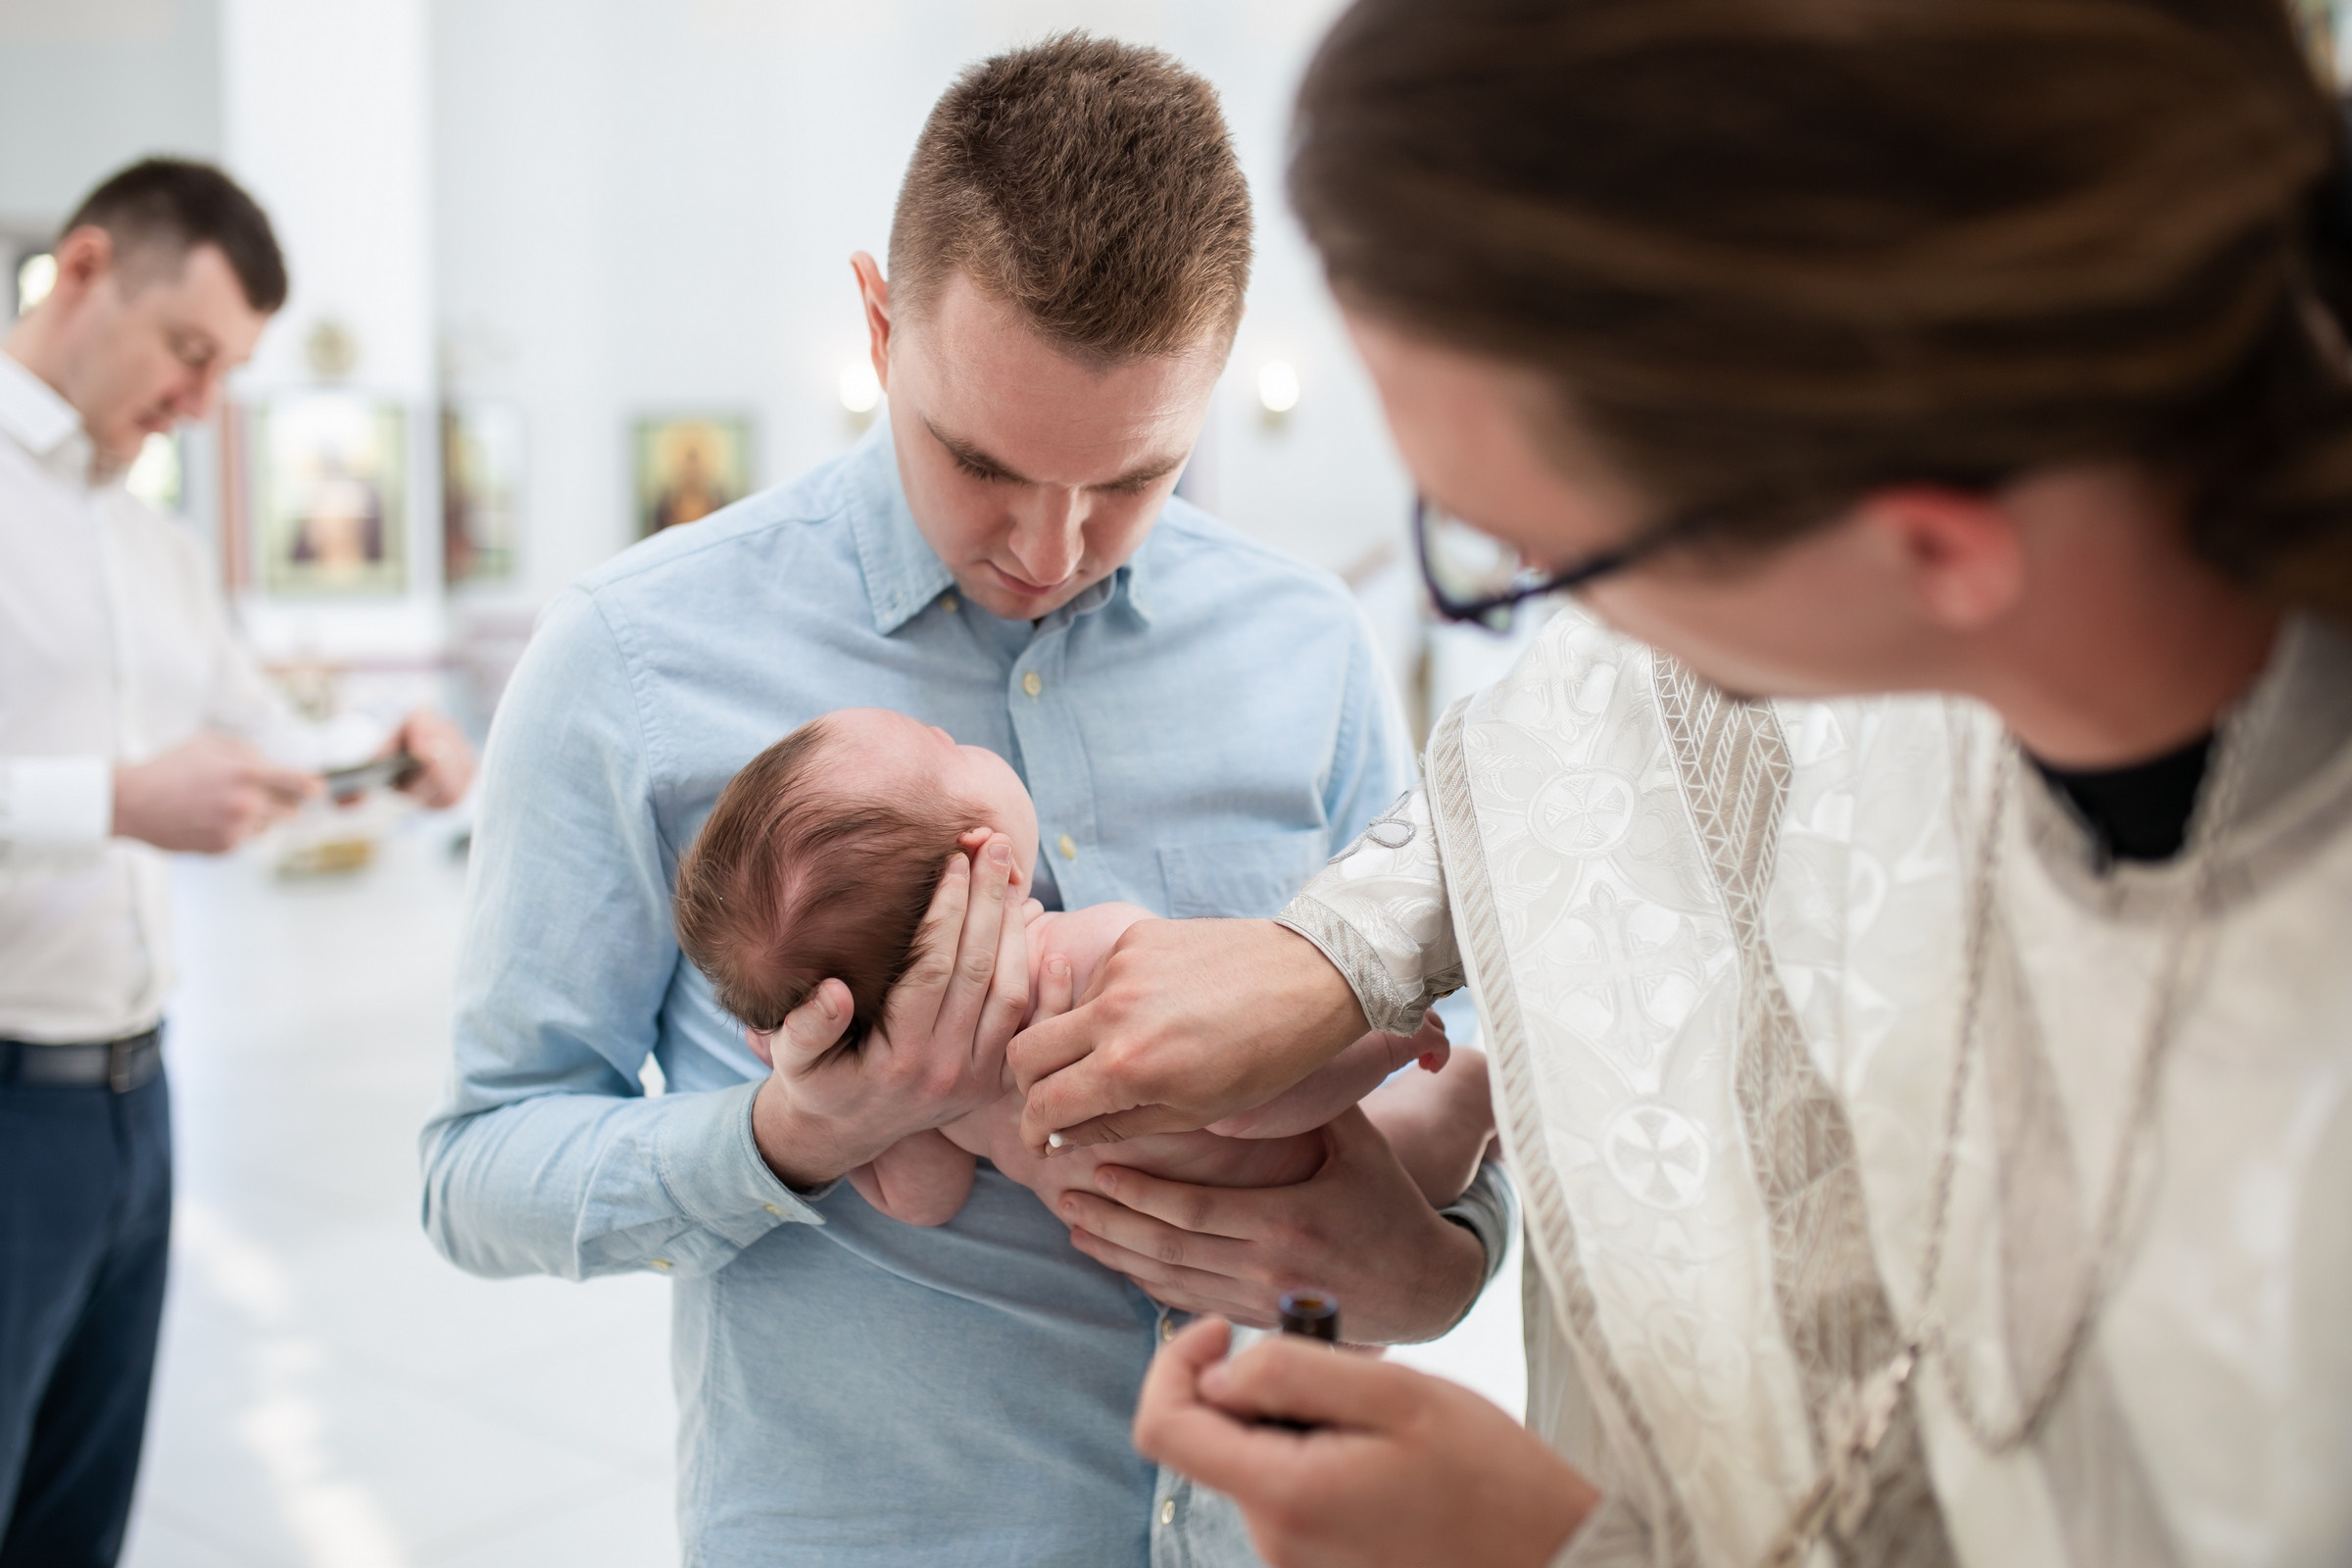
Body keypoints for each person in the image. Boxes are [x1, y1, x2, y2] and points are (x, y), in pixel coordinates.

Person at [1005, 2, 2352, 1565]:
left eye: (1541, 557)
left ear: (1934, 549)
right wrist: (1326, 960)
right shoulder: (2017, 540)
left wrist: (1550, 1550)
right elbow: (1607, 710)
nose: (1562, 629)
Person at [420, 36, 1513, 1568]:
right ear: (880, 327)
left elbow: (1438, 1059)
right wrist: (795, 1134)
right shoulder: (634, 659)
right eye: (982, 461)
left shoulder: (1307, 644)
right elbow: (476, 1172)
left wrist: (1444, 1270)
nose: (1050, 550)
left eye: (1134, 477)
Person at [0, 159, 473, 1568]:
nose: (201, 404)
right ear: (88, 270)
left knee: (77, 1519)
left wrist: (383, 756)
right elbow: (133, 792)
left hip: (133, 1103)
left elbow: (262, 731)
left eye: (227, 372)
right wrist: (114, 801)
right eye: (188, 352)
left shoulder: (151, 543)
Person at [668, 707, 1492, 1227]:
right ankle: (1469, 1091)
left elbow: (925, 1202)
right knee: (1422, 1123)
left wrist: (835, 1108)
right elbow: (1262, 1089)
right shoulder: (1090, 952)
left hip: (1302, 1199)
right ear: (988, 862)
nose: (959, 735)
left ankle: (1476, 1096)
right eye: (947, 745)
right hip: (1294, 1192)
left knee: (1410, 1142)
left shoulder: (929, 1107)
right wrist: (1378, 1033)